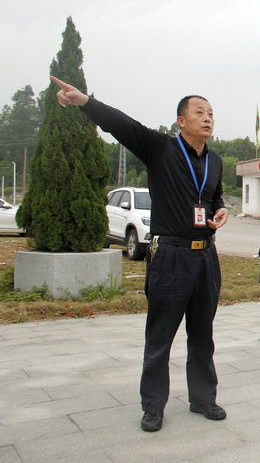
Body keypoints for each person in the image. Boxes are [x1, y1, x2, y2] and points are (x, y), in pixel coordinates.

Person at [51, 76, 229, 432]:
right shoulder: (160, 148)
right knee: (160, 335)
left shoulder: (216, 161)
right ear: (181, 121)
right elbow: (122, 124)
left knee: (202, 334)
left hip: (205, 258)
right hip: (171, 257)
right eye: (199, 112)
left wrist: (220, 210)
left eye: (211, 113)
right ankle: (153, 406)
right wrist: (86, 102)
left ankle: (203, 398)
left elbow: (214, 197)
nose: (207, 117)